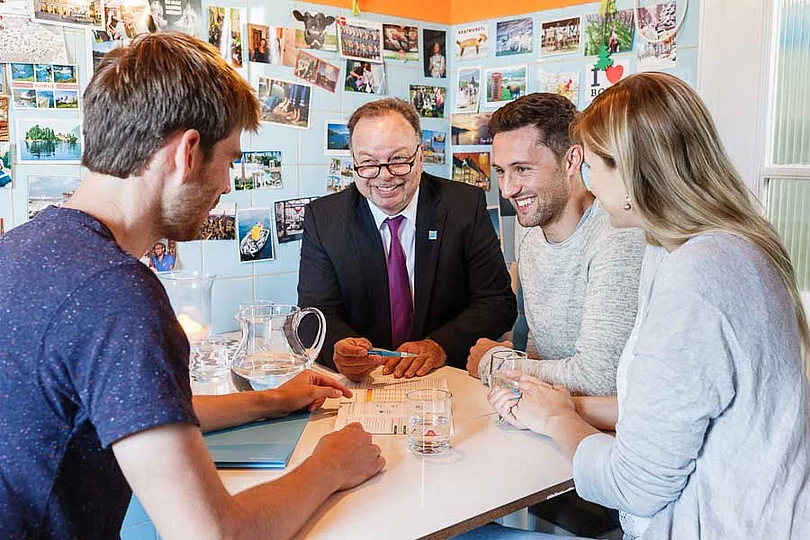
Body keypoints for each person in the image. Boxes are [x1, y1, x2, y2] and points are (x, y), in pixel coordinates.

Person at [0, 32, 384, 539]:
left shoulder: (22, 246)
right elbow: (213, 534)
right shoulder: (117, 293)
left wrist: (270, 401)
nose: (226, 185)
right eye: (228, 159)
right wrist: (331, 465)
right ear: (187, 152)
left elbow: (130, 409)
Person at [489, 73, 810, 538]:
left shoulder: (696, 276)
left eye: (593, 166)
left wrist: (555, 418)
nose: (590, 186)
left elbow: (634, 485)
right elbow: (671, 408)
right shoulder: (709, 247)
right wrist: (560, 403)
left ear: (632, 170)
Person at [298, 98, 516, 381]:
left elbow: (497, 302)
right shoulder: (324, 218)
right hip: (365, 382)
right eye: (368, 164)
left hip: (445, 376)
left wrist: (439, 346)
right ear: (353, 163)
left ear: (420, 155)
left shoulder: (464, 206)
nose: (384, 176)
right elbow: (314, 314)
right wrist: (338, 348)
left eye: (398, 160)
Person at [467, 93, 645, 396]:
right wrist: (517, 368)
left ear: (571, 160)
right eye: (500, 171)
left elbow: (599, 379)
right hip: (552, 414)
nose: (508, 189)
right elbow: (542, 352)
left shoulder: (617, 233)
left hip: (605, 430)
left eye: (522, 169)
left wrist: (494, 362)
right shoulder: (532, 231)